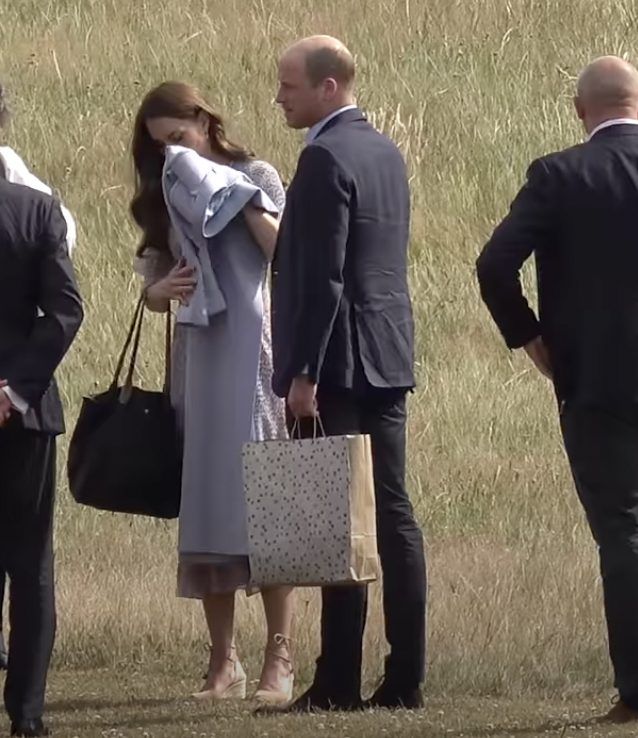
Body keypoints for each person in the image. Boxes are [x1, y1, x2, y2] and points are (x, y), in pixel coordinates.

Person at [477, 56, 638, 725]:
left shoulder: (560, 175)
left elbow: (494, 263)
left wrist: (528, 335)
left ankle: (636, 688)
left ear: (581, 110)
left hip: (596, 379)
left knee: (624, 531)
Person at [271, 35, 427, 712]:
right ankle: (405, 677)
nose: (280, 97)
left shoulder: (325, 157)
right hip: (388, 353)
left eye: (289, 86)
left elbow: (323, 277)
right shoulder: (385, 152)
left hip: (339, 361)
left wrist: (302, 372)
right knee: (392, 515)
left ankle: (337, 680)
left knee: (341, 519)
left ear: (328, 87)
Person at [131, 82, 294, 705]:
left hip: (255, 358)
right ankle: (223, 662)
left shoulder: (257, 172)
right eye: (160, 145)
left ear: (204, 120)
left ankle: (280, 659)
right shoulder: (164, 192)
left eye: (180, 138)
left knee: (265, 503)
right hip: (199, 358)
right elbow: (148, 286)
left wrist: (235, 195)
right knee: (208, 502)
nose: (173, 152)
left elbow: (283, 250)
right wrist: (159, 290)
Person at [0, 119, 83, 738]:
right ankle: (26, 713)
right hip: (23, 414)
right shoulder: (36, 211)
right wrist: (16, 387)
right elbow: (64, 310)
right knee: (31, 564)